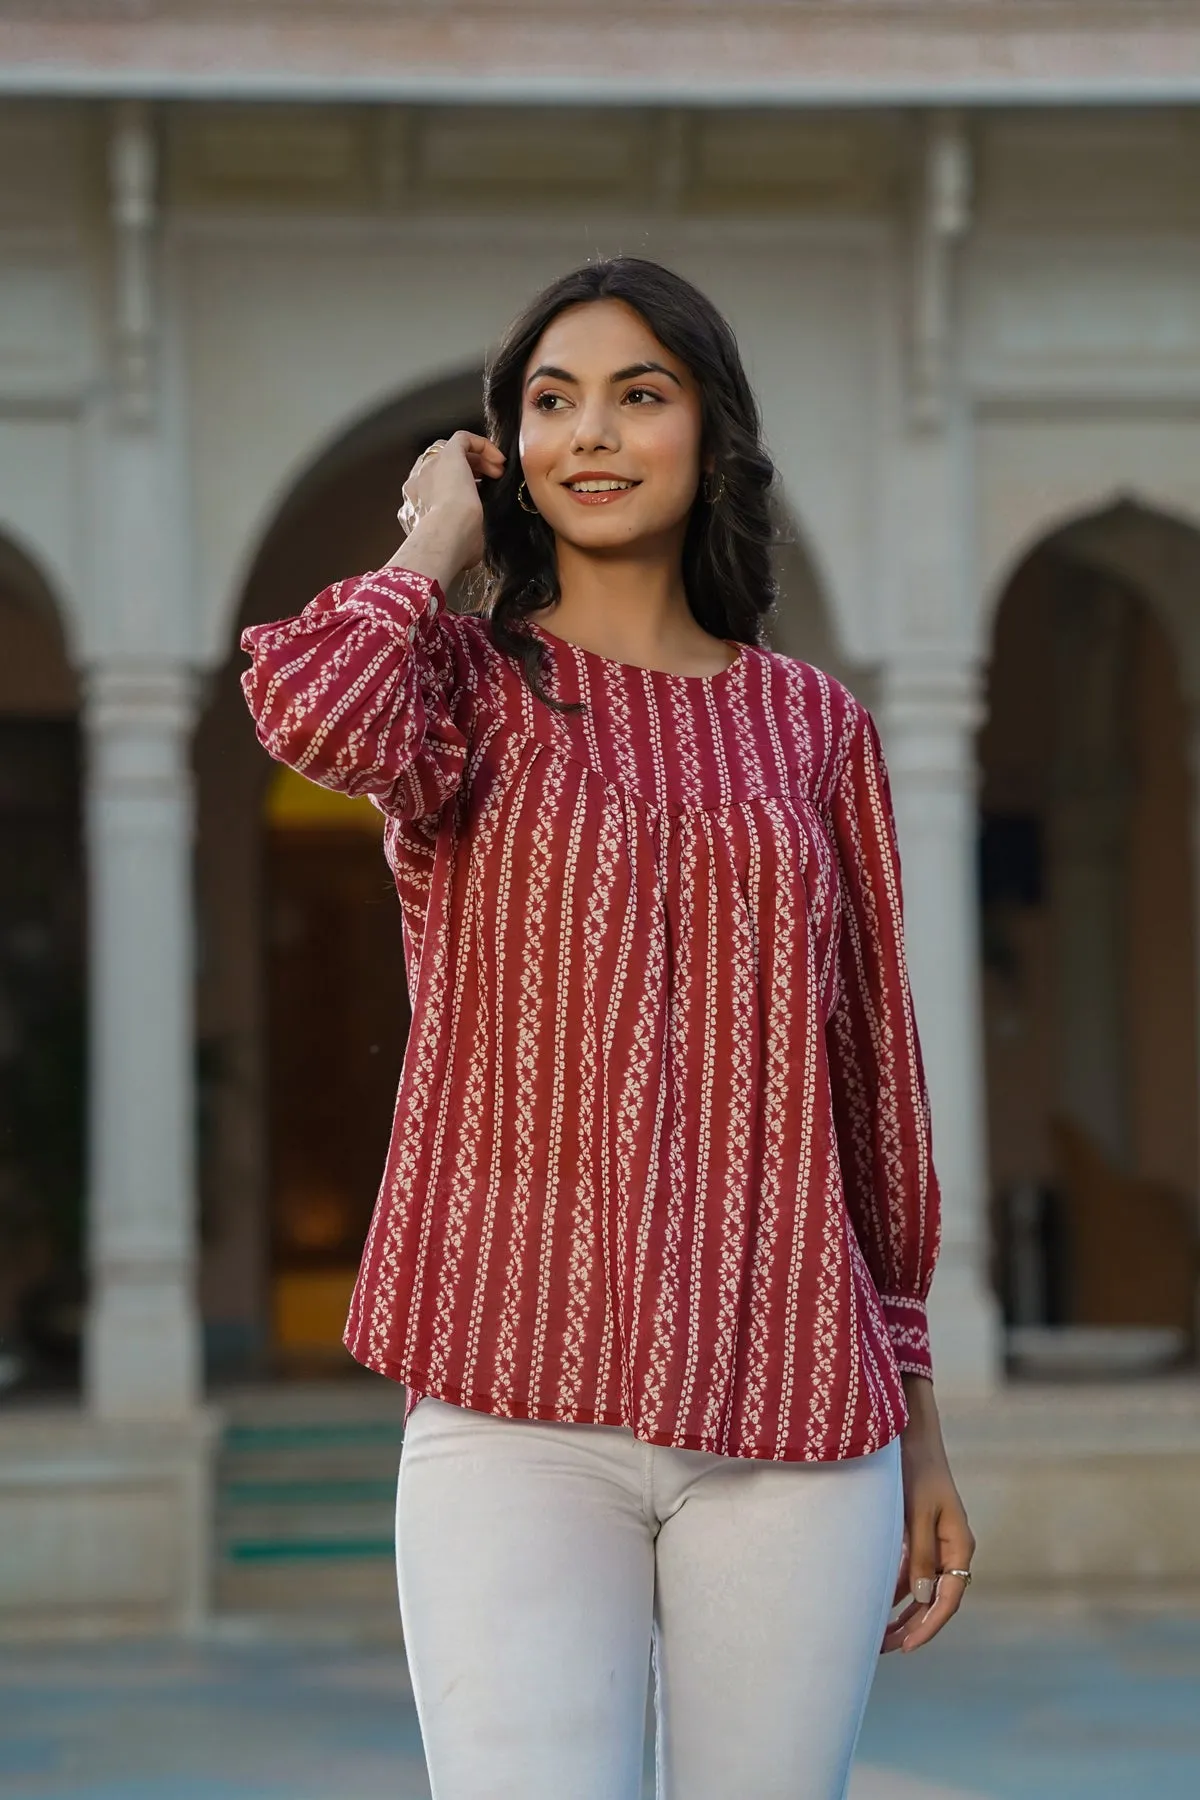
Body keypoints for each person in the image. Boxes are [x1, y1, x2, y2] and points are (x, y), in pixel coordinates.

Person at [241, 257, 975, 1800]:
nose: (594, 433)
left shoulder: (814, 727)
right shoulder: (459, 688)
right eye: (550, 402)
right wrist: (437, 535)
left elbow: (873, 1090)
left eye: (641, 395)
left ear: (711, 433)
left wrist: (917, 1421)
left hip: (796, 1412)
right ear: (510, 445)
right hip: (513, 1405)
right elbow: (308, 710)